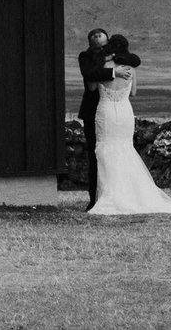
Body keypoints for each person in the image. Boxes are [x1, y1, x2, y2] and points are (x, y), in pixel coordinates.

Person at [87, 33, 171, 216]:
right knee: (125, 149)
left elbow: (92, 87)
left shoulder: (104, 67)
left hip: (106, 111)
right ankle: (133, 194)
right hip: (125, 111)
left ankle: (110, 195)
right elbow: (133, 92)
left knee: (106, 150)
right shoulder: (131, 69)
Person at [75, 28, 113, 208]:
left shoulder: (115, 56)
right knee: (94, 154)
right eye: (94, 35)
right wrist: (110, 70)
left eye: (101, 34)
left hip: (112, 109)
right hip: (92, 109)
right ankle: (94, 198)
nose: (97, 36)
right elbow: (89, 77)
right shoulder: (85, 56)